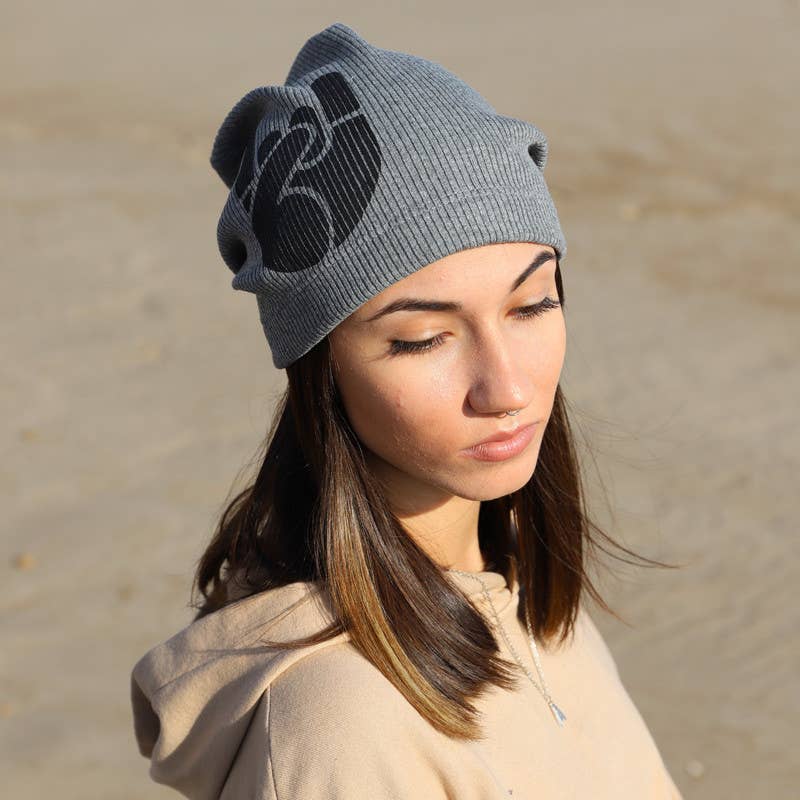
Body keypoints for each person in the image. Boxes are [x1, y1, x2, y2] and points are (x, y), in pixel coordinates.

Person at [130, 21, 684, 799]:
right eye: (424, 339)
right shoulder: (341, 732)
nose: (507, 389)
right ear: (321, 368)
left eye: (532, 305)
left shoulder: (523, 597)